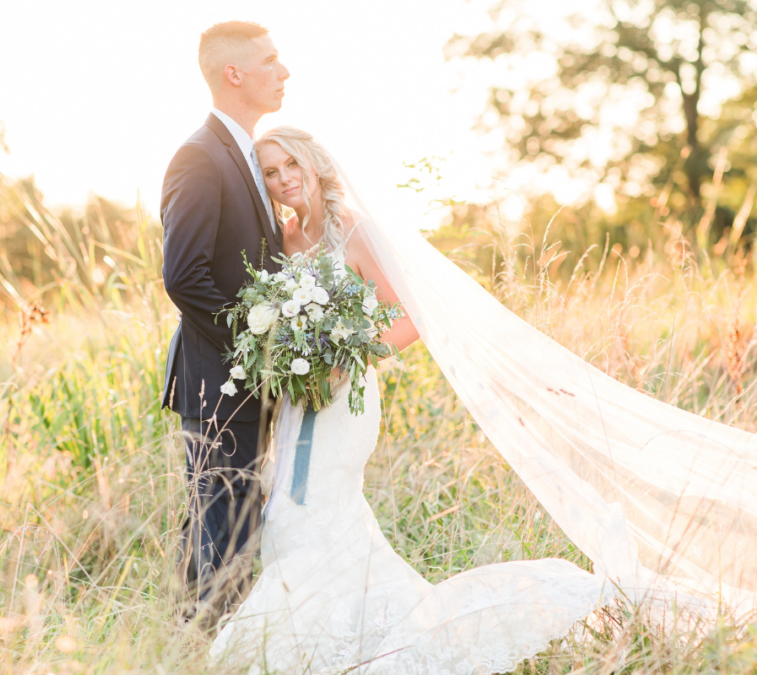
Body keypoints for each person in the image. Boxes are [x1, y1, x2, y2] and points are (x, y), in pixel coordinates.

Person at [208, 126, 609, 673]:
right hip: (299, 401)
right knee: (287, 511)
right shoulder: (284, 238)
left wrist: (349, 360)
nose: (283, 181)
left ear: (314, 165)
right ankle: (342, 631)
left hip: (345, 399)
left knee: (317, 505)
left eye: (290, 166)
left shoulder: (354, 229)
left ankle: (301, 643)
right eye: (271, 173)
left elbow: (410, 314)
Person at [159, 21, 289, 625]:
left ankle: (198, 649)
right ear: (233, 73)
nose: (283, 72)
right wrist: (257, 349)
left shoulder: (244, 155)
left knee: (232, 529)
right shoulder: (200, 156)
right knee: (223, 534)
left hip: (243, 383)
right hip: (219, 379)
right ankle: (212, 649)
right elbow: (184, 277)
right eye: (269, 61)